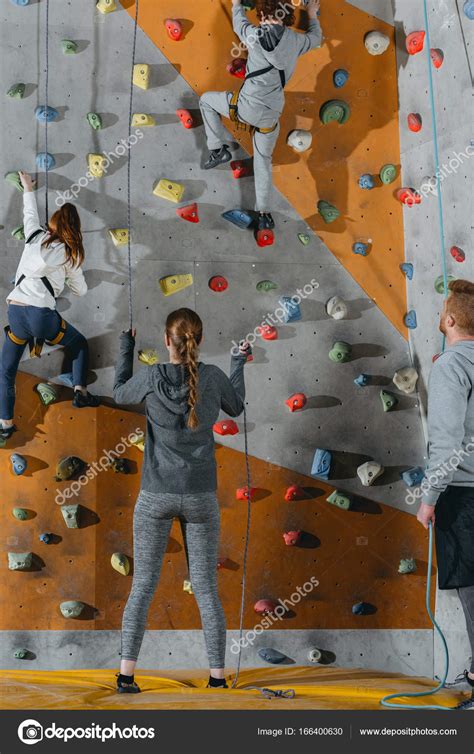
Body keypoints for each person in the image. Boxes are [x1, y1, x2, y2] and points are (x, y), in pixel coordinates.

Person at [113, 308, 249, 693]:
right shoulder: (213, 377)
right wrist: (238, 362)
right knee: (206, 589)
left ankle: (126, 676)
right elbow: (236, 407)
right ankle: (218, 680)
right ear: (198, 341)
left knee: (142, 587)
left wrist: (127, 347)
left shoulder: (151, 377)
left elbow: (119, 393)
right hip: (200, 498)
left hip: (155, 496)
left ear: (167, 341)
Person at [200, 0, 322, 232]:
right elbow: (315, 39)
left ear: (262, 13)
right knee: (263, 160)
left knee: (206, 101)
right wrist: (312, 14)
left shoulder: (254, 35)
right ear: (286, 15)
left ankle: (217, 149)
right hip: (270, 117)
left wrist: (236, 3)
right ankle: (265, 214)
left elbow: (239, 23)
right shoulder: (296, 41)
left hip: (245, 107)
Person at [0, 172, 99, 440]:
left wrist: (28, 188)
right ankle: (81, 391)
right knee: (78, 343)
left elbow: (29, 214)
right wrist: (69, 277)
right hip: (43, 318)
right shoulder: (70, 253)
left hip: (17, 312)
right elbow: (81, 291)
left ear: (52, 223)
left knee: (6, 369)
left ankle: (5, 424)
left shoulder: (34, 236)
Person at [416, 279, 474, 709]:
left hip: (464, 494)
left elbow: (449, 442)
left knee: (472, 588)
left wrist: (430, 497)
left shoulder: (452, 366)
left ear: (449, 320)